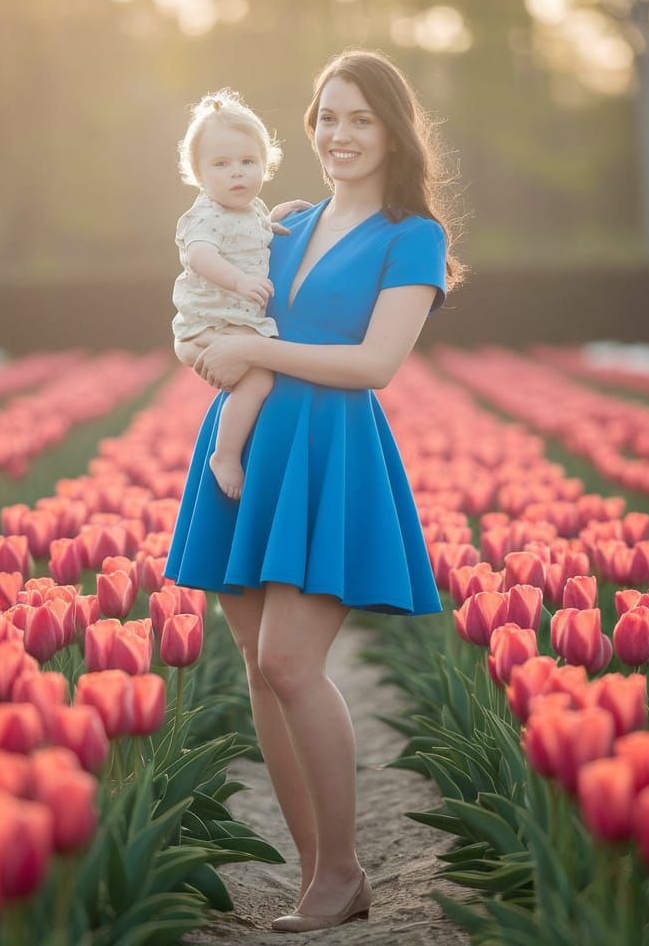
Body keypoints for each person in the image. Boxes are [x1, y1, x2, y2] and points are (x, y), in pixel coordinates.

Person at [163, 48, 466, 933]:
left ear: (392, 131)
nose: (338, 134)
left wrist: (255, 352)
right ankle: (317, 876)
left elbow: (376, 364)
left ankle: (342, 869)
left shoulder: (414, 237)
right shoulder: (278, 222)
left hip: (330, 452)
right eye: (326, 117)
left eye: (359, 118)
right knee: (261, 672)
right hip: (249, 451)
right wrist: (215, 350)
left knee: (293, 663)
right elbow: (210, 301)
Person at [171, 89, 297, 501]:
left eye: (248, 162)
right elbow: (201, 255)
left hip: (235, 327)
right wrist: (239, 282)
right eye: (221, 164)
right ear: (199, 174)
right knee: (259, 377)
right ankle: (224, 455)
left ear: (266, 164)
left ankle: (238, 447)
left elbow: (252, 234)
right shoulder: (204, 215)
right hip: (204, 328)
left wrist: (275, 221)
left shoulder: (255, 209)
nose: (237, 173)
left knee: (258, 375)